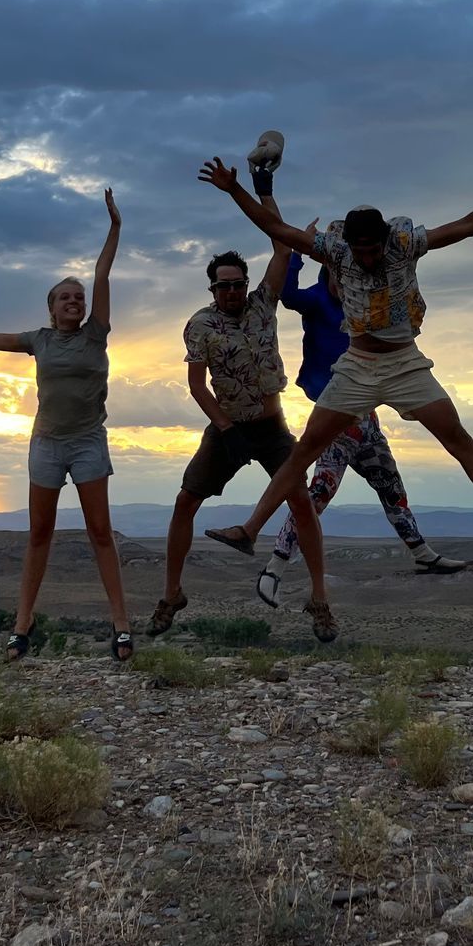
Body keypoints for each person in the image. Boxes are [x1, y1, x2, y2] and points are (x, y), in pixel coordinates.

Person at [194, 159, 473, 589]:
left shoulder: (406, 244)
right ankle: (248, 531)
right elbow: (279, 231)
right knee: (305, 451)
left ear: (385, 240)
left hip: (405, 362)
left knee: (458, 438)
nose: (368, 258)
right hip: (357, 365)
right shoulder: (336, 251)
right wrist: (234, 190)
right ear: (348, 245)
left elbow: (465, 226)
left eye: (374, 249)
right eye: (361, 251)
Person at [0, 190, 135, 662]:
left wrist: (115, 228)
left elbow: (102, 273)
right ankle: (22, 625)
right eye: (66, 297)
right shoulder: (37, 340)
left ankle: (120, 624)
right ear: (51, 308)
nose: (75, 301)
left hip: (88, 443)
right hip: (47, 445)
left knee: (101, 531)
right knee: (40, 533)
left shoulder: (97, 332)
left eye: (78, 297)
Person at [148, 133, 338, 642]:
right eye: (222, 284)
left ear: (245, 283)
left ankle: (319, 600)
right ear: (212, 288)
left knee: (300, 502)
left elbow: (282, 240)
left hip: (272, 425)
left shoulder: (262, 305)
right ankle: (172, 594)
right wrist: (224, 426)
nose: (231, 290)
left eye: (236, 282)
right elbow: (195, 383)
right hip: (227, 427)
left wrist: (258, 187)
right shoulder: (200, 325)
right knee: (186, 501)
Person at [254, 208, 466, 608]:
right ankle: (275, 567)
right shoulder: (316, 302)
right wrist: (295, 247)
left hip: (364, 415)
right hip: (336, 414)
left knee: (389, 483)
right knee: (319, 490)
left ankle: (421, 553)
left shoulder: (368, 302)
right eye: (338, 268)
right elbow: (285, 289)